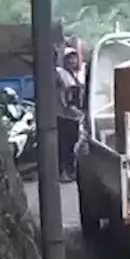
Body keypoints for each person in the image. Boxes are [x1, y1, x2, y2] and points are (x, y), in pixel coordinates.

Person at [56, 47, 82, 183]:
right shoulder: (61, 73)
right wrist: (70, 107)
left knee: (72, 145)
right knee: (64, 146)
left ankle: (70, 171)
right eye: (69, 58)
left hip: (73, 116)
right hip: (65, 115)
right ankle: (63, 172)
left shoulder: (74, 75)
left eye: (74, 57)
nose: (72, 60)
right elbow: (65, 95)